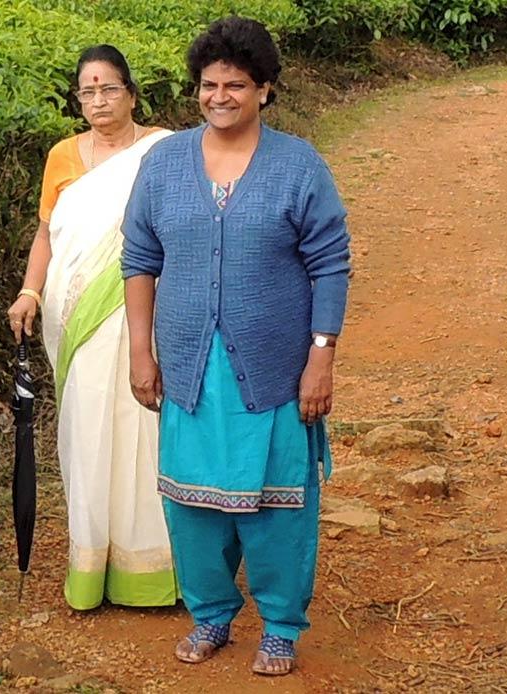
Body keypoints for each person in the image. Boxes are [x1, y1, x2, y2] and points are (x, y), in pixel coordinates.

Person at [122, 17, 350, 676]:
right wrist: (143, 352)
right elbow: (139, 259)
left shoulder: (298, 165)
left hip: (274, 369)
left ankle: (280, 623)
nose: (220, 96)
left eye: (237, 85)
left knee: (279, 507)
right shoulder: (164, 164)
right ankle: (212, 614)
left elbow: (330, 263)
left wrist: (321, 354)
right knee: (192, 508)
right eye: (209, 84)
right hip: (192, 370)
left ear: (265, 89)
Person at [7, 45, 177, 610]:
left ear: (131, 93)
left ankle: (154, 567)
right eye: (88, 91)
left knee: (143, 426)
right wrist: (30, 290)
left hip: (144, 310)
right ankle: (90, 564)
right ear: (78, 100)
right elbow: (47, 235)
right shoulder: (61, 156)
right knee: (86, 428)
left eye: (109, 89)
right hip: (73, 319)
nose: (99, 101)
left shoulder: (163, 150)